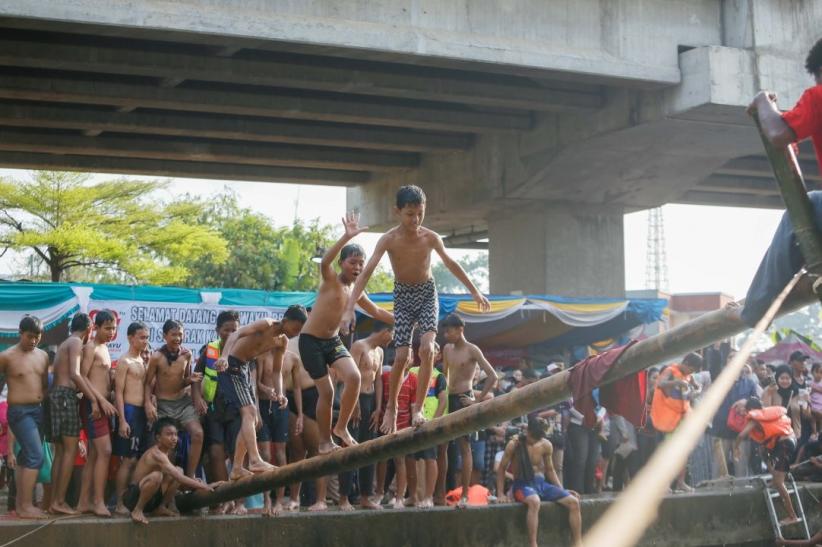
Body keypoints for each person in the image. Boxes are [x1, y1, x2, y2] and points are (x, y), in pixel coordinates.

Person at [341, 185, 490, 434]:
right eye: (410, 214)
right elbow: (366, 273)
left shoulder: (430, 237)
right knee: (401, 357)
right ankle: (391, 408)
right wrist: (349, 308)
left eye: (420, 213)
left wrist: (474, 290)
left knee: (427, 348)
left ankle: (418, 408)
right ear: (397, 211)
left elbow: (451, 263)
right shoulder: (388, 239)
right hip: (403, 295)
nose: (415, 219)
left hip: (427, 293)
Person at [299, 212, 394, 453]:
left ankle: (340, 428)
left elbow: (376, 311)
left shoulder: (357, 291)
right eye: (353, 262)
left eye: (361, 263)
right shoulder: (331, 279)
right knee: (328, 392)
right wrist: (346, 236)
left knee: (354, 377)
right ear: (342, 263)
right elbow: (323, 262)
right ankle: (323, 442)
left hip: (331, 341)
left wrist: (403, 319)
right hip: (310, 342)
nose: (358, 267)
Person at [743, 38, 822, 328]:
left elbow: (777, 133)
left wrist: (763, 100)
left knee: (804, 207)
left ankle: (753, 312)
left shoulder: (818, 95)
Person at [215, 307, 307, 479]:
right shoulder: (267, 324)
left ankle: (236, 468)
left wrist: (280, 393)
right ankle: (255, 459)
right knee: (249, 412)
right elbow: (236, 335)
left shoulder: (282, 342)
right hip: (231, 365)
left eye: (299, 331)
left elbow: (277, 372)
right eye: (295, 329)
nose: (295, 333)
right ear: (285, 320)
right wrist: (224, 356)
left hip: (244, 369)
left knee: (252, 418)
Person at [441, 313, 499, 508]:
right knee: (442, 446)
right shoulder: (447, 349)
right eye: (445, 331)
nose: (446, 334)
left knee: (464, 447)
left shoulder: (472, 349)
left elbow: (493, 376)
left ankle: (465, 494)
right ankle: (441, 493)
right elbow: (445, 377)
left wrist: (477, 401)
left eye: (449, 331)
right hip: (448, 399)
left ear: (460, 330)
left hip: (465, 399)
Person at [497, 417, 582, 547]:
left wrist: (562, 490)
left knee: (574, 502)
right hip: (522, 485)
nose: (536, 441)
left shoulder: (546, 444)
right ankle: (533, 544)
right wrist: (500, 494)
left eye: (539, 438)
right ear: (528, 431)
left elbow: (550, 470)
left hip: (541, 484)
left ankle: (578, 543)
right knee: (535, 501)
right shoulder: (515, 444)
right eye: (534, 437)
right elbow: (501, 468)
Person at [192, 310, 243, 514]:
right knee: (215, 453)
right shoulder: (210, 350)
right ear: (217, 330)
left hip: (237, 409)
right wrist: (197, 399)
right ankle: (224, 497)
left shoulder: (243, 348)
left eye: (234, 330)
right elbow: (196, 376)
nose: (230, 333)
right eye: (226, 329)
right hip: (214, 409)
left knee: (238, 455)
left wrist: (253, 409)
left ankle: (238, 502)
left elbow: (253, 381)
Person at [123, 417, 217, 524]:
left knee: (179, 470)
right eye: (169, 434)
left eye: (176, 434)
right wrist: (205, 486)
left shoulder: (166, 453)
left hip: (151, 498)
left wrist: (198, 482)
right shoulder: (156, 454)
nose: (174, 438)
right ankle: (137, 510)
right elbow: (179, 478)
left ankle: (161, 507)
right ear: (158, 438)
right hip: (133, 499)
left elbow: (177, 476)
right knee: (157, 476)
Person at [0, 316, 49, 519]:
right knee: (35, 456)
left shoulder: (43, 356)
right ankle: (27, 505)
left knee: (24, 457)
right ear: (20, 333)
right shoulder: (6, 356)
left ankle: (21, 505)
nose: (33, 341)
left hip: (38, 410)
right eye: (30, 336)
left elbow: (44, 385)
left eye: (37, 337)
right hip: (19, 411)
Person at [46, 312, 93, 515]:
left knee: (60, 452)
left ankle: (54, 501)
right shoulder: (75, 342)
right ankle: (59, 501)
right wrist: (93, 398)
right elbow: (75, 374)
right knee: (70, 450)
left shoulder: (65, 342)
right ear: (89, 329)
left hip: (56, 396)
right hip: (65, 396)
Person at [144, 320, 203, 478]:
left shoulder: (187, 354)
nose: (177, 338)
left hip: (183, 404)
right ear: (164, 336)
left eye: (180, 335)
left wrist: (191, 380)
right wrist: (148, 403)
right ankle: (167, 483)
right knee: (165, 445)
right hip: (163, 406)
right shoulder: (157, 357)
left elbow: (184, 381)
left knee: (198, 433)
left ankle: (190, 477)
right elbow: (148, 383)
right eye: (174, 335)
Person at [77, 309, 118, 517]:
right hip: (93, 406)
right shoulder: (91, 347)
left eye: (114, 328)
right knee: (105, 451)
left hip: (102, 405)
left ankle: (84, 501)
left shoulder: (105, 348)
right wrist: (97, 400)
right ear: (97, 327)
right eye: (107, 328)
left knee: (94, 455)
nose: (111, 332)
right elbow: (82, 377)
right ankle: (98, 501)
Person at [347, 323, 393, 510]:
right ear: (385, 331)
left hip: (371, 400)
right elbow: (350, 376)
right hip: (354, 400)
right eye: (392, 334)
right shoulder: (359, 346)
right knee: (351, 449)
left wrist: (378, 407)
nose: (392, 338)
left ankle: (366, 497)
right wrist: (354, 402)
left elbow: (379, 380)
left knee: (370, 450)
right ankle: (344, 497)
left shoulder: (380, 352)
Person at [734, 397, 800, 526]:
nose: (744, 413)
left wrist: (736, 448)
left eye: (745, 410)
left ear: (751, 409)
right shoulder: (767, 414)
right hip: (788, 441)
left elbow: (741, 435)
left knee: (779, 483)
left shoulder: (754, 418)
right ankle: (774, 478)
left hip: (784, 445)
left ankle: (792, 516)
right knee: (762, 450)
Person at [650, 353, 703, 492]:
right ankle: (665, 484)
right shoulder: (670, 370)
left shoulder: (689, 376)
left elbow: (698, 386)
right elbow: (660, 384)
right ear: (685, 363)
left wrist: (697, 391)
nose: (691, 373)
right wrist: (677, 382)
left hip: (683, 418)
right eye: (691, 369)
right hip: (669, 418)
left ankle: (681, 482)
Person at [113, 322, 151, 515]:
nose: (145, 341)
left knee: (136, 460)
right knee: (127, 460)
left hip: (141, 414)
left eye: (147, 337)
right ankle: (119, 503)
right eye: (141, 337)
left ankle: (129, 500)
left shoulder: (143, 362)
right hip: (128, 411)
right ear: (130, 338)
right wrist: (122, 420)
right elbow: (118, 392)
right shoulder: (124, 361)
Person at [254, 336, 289, 516]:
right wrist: (266, 391)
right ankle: (267, 498)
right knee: (266, 454)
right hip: (263, 406)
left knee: (281, 454)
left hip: (279, 406)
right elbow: (257, 383)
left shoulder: (283, 353)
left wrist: (282, 394)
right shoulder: (261, 355)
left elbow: (279, 376)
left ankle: (280, 500)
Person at [405, 360, 447, 508]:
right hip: (412, 423)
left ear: (438, 355)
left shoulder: (439, 376)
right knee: (410, 459)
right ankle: (413, 496)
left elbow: (443, 400)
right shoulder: (412, 372)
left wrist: (435, 422)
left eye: (434, 350)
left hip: (429, 423)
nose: (430, 353)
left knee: (430, 458)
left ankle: (429, 497)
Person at [711, 354, 759, 478]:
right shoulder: (719, 380)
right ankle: (716, 494)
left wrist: (746, 402)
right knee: (719, 469)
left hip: (742, 431)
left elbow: (757, 404)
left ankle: (741, 495)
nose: (733, 359)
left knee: (741, 469)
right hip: (721, 429)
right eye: (730, 357)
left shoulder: (750, 383)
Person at [810, 363, 822, 441]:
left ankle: (820, 431)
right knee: (812, 418)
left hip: (820, 404)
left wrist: (815, 389)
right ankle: (814, 432)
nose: (818, 374)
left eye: (821, 372)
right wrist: (811, 390)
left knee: (820, 419)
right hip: (813, 404)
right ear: (812, 372)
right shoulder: (810, 382)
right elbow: (808, 392)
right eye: (816, 372)